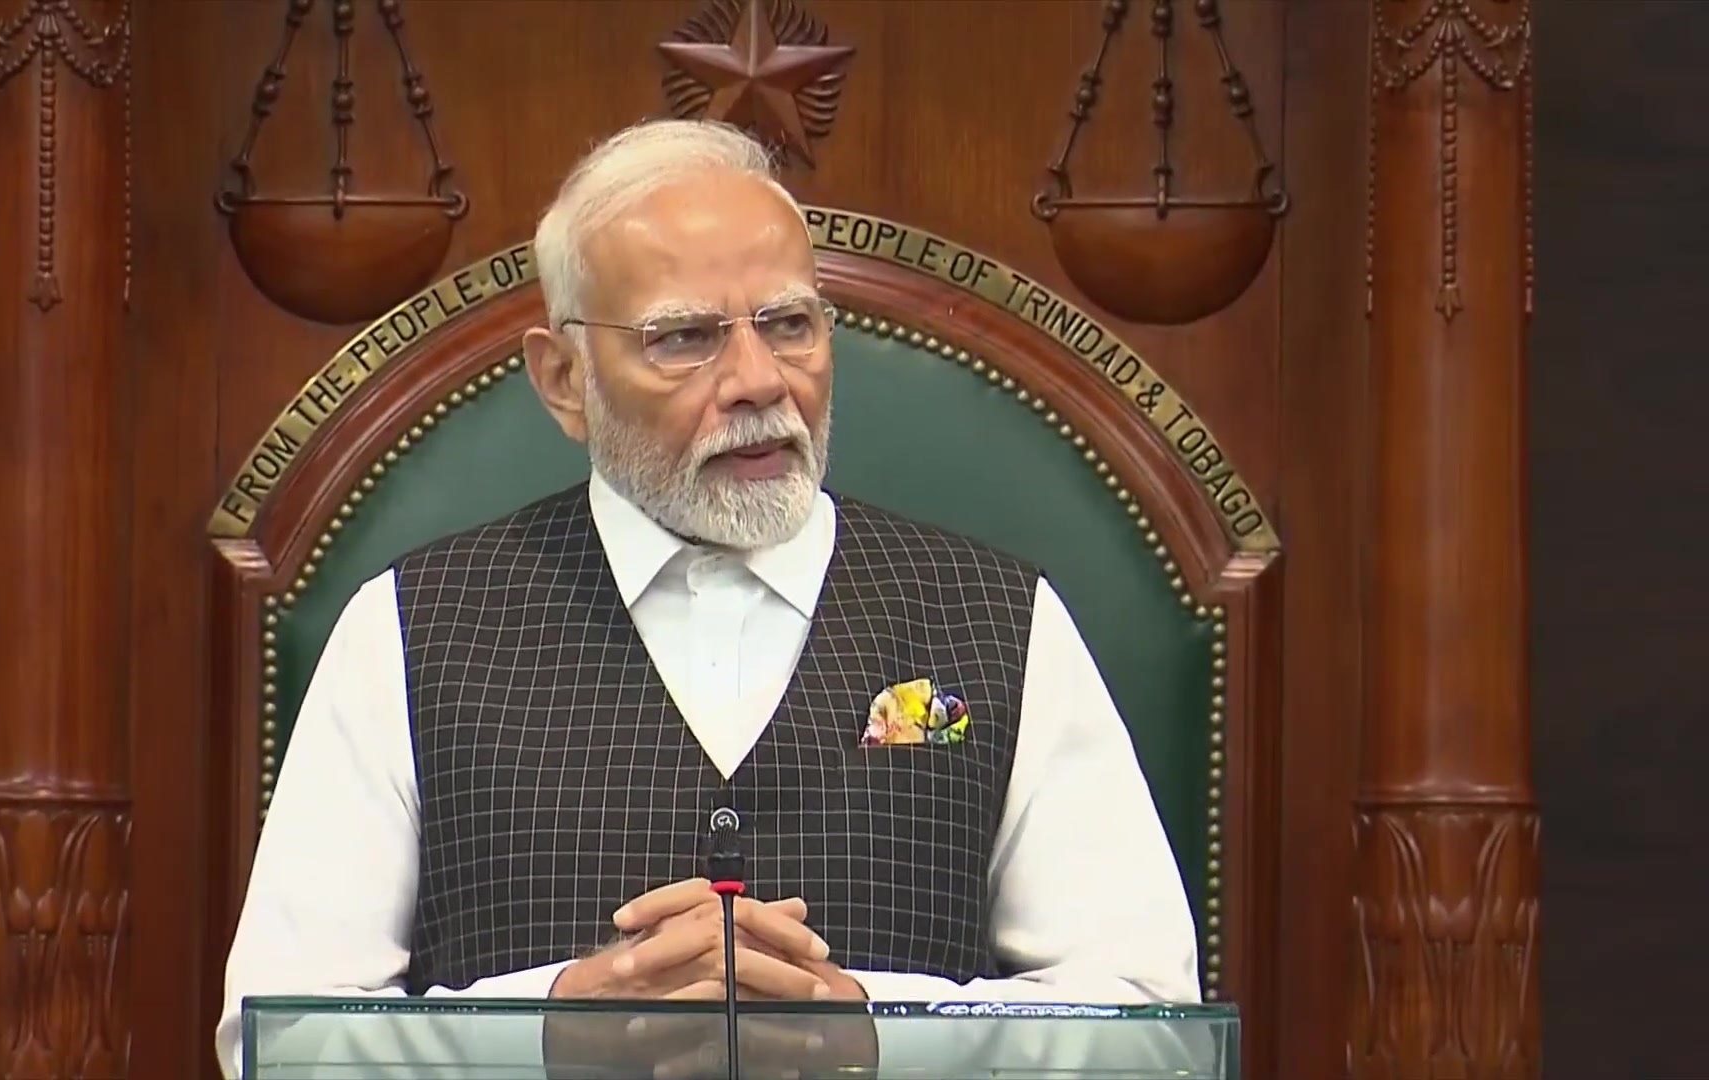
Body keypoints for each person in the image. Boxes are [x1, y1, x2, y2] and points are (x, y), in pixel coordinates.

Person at [215, 118, 1199, 1078]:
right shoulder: (406, 630)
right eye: (684, 337)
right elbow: (278, 1041)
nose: (758, 381)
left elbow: (1154, 1031)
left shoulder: (1000, 619)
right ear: (563, 380)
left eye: (789, 324)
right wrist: (544, 1034)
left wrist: (886, 1035)